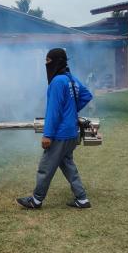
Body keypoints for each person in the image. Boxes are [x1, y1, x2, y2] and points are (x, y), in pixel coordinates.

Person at [17, 48, 93, 209]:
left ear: (57, 61)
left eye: (48, 61)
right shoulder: (71, 79)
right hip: (71, 132)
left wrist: (48, 135)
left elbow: (53, 111)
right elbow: (86, 95)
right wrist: (71, 110)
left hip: (59, 134)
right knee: (68, 165)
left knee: (46, 167)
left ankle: (36, 200)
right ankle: (82, 199)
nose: (46, 64)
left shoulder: (57, 82)